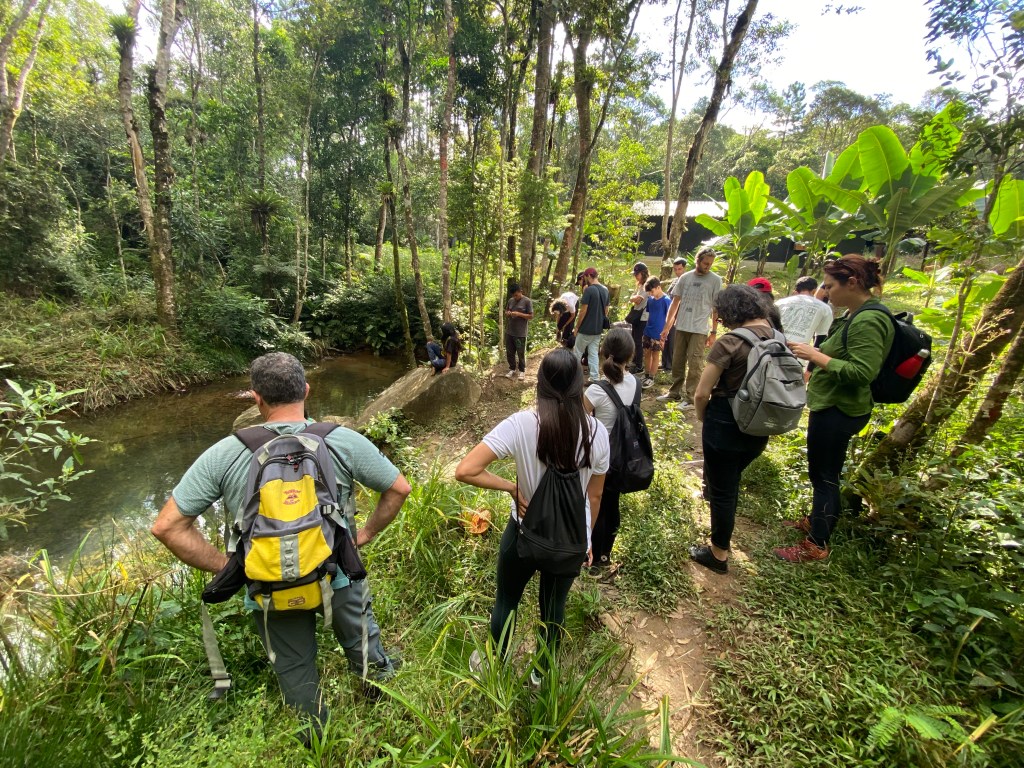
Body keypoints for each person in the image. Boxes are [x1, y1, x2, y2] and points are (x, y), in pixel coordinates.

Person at [151, 352, 411, 735]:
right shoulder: (342, 441)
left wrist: (229, 566)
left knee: (295, 670)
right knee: (362, 641)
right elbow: (398, 489)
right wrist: (362, 536)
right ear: (306, 390)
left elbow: (167, 527)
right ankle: (383, 701)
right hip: (336, 574)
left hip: (269, 586)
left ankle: (315, 739)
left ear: (256, 398)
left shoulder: (224, 454)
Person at [455, 348, 609, 684]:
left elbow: (466, 470)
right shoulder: (598, 433)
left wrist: (512, 487)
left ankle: (494, 665)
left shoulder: (523, 423)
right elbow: (595, 495)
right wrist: (586, 536)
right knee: (553, 610)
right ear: (579, 386)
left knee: (507, 599)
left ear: (539, 385)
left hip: (524, 533)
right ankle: (540, 676)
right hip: (570, 541)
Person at [775, 255, 894, 563]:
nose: (825, 293)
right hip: (831, 403)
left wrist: (816, 356)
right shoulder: (856, 315)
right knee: (821, 472)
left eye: (829, 286)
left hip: (840, 408)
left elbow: (862, 372)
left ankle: (817, 543)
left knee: (825, 475)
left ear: (852, 283)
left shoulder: (869, 320)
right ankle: (817, 521)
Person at [688, 286, 774, 574]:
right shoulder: (776, 336)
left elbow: (702, 393)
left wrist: (704, 418)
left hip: (726, 421)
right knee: (730, 478)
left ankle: (719, 554)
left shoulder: (731, 342)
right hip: (761, 422)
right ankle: (716, 502)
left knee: (725, 491)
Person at [582, 328, 637, 569]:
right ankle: (605, 555)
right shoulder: (635, 382)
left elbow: (579, 423)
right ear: (630, 356)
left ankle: (589, 554)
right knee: (611, 504)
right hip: (625, 455)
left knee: (594, 502)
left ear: (603, 353)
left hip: (600, 454)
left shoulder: (596, 390)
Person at [658, 248, 722, 408]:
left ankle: (691, 398)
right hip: (682, 326)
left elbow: (716, 309)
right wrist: (667, 327)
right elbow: (675, 303)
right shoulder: (685, 278)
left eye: (710, 264)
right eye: (705, 263)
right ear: (698, 261)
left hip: (699, 329)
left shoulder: (715, 280)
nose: (708, 266)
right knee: (677, 360)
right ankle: (674, 393)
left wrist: (713, 332)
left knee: (695, 362)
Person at [573, 267, 610, 382]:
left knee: (577, 352)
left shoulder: (589, 290)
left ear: (589, 276)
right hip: (598, 329)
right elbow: (606, 310)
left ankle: (573, 376)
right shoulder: (605, 290)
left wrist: (577, 326)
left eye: (585, 277)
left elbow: (583, 311)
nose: (585, 279)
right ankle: (594, 377)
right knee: (593, 353)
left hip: (585, 328)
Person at [776, 275, 834, 349]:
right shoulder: (825, 308)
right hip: (798, 355)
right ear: (814, 291)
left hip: (773, 350)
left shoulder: (779, 303)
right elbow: (821, 336)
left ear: (796, 290)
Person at [641, 277, 672, 389]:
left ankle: (651, 377)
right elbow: (649, 314)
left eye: (652, 291)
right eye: (649, 292)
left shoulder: (666, 300)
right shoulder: (650, 300)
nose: (651, 294)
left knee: (655, 355)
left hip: (658, 333)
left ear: (658, 287)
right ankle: (646, 374)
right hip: (648, 331)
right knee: (647, 353)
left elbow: (670, 319)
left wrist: (665, 333)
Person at [661, 257, 687, 371]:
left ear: (684, 268)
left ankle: (670, 365)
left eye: (680, 269)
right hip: (669, 314)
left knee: (672, 341)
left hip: (678, 316)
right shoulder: (675, 281)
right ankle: (664, 362)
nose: (677, 271)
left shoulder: (686, 281)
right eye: (675, 269)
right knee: (665, 337)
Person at [504, 283, 534, 380]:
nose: (515, 297)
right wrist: (508, 313)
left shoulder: (527, 301)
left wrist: (519, 314)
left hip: (520, 333)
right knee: (509, 352)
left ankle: (522, 370)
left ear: (520, 291)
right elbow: (506, 311)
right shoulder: (511, 300)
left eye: (516, 295)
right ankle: (512, 368)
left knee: (520, 352)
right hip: (509, 331)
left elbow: (531, 316)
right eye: (513, 296)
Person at [625, 262, 650, 373]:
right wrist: (633, 298)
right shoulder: (639, 285)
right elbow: (632, 298)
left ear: (643, 273)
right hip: (637, 315)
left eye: (637, 274)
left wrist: (634, 298)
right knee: (634, 339)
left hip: (643, 317)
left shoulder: (647, 286)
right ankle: (635, 361)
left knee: (638, 340)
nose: (635, 276)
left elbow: (639, 299)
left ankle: (639, 365)